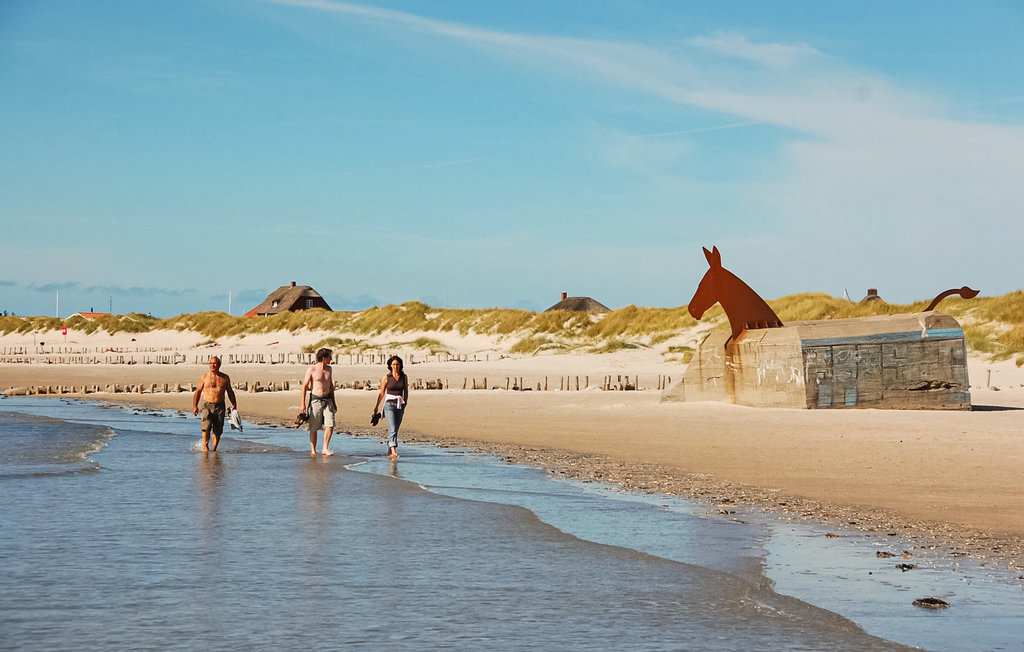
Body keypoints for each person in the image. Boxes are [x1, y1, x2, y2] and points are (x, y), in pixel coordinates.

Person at [192, 356, 238, 452]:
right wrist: (195, 406)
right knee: (206, 427)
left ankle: (214, 449)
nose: (212, 365)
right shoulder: (204, 377)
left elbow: (230, 391)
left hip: (220, 406)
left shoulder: (225, 377)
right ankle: (205, 447)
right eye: (211, 363)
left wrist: (234, 404)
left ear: (219, 365)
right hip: (206, 405)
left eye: (215, 363)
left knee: (218, 430)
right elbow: (198, 391)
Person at [300, 348, 337, 456]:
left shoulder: (329, 369)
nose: (331, 359)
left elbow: (331, 385)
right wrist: (303, 404)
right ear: (324, 358)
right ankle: (313, 450)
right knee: (314, 427)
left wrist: (334, 401)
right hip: (315, 400)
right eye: (330, 357)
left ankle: (325, 448)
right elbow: (305, 386)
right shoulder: (311, 369)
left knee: (330, 424)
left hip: (328, 399)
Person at [373, 355, 408, 459]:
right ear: (390, 365)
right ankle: (393, 450)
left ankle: (390, 447)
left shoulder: (404, 376)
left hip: (400, 404)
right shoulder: (387, 377)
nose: (396, 366)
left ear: (400, 365)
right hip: (389, 405)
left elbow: (406, 391)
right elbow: (382, 393)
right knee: (392, 427)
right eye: (394, 364)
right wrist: (376, 406)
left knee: (396, 428)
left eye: (397, 364)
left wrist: (405, 403)